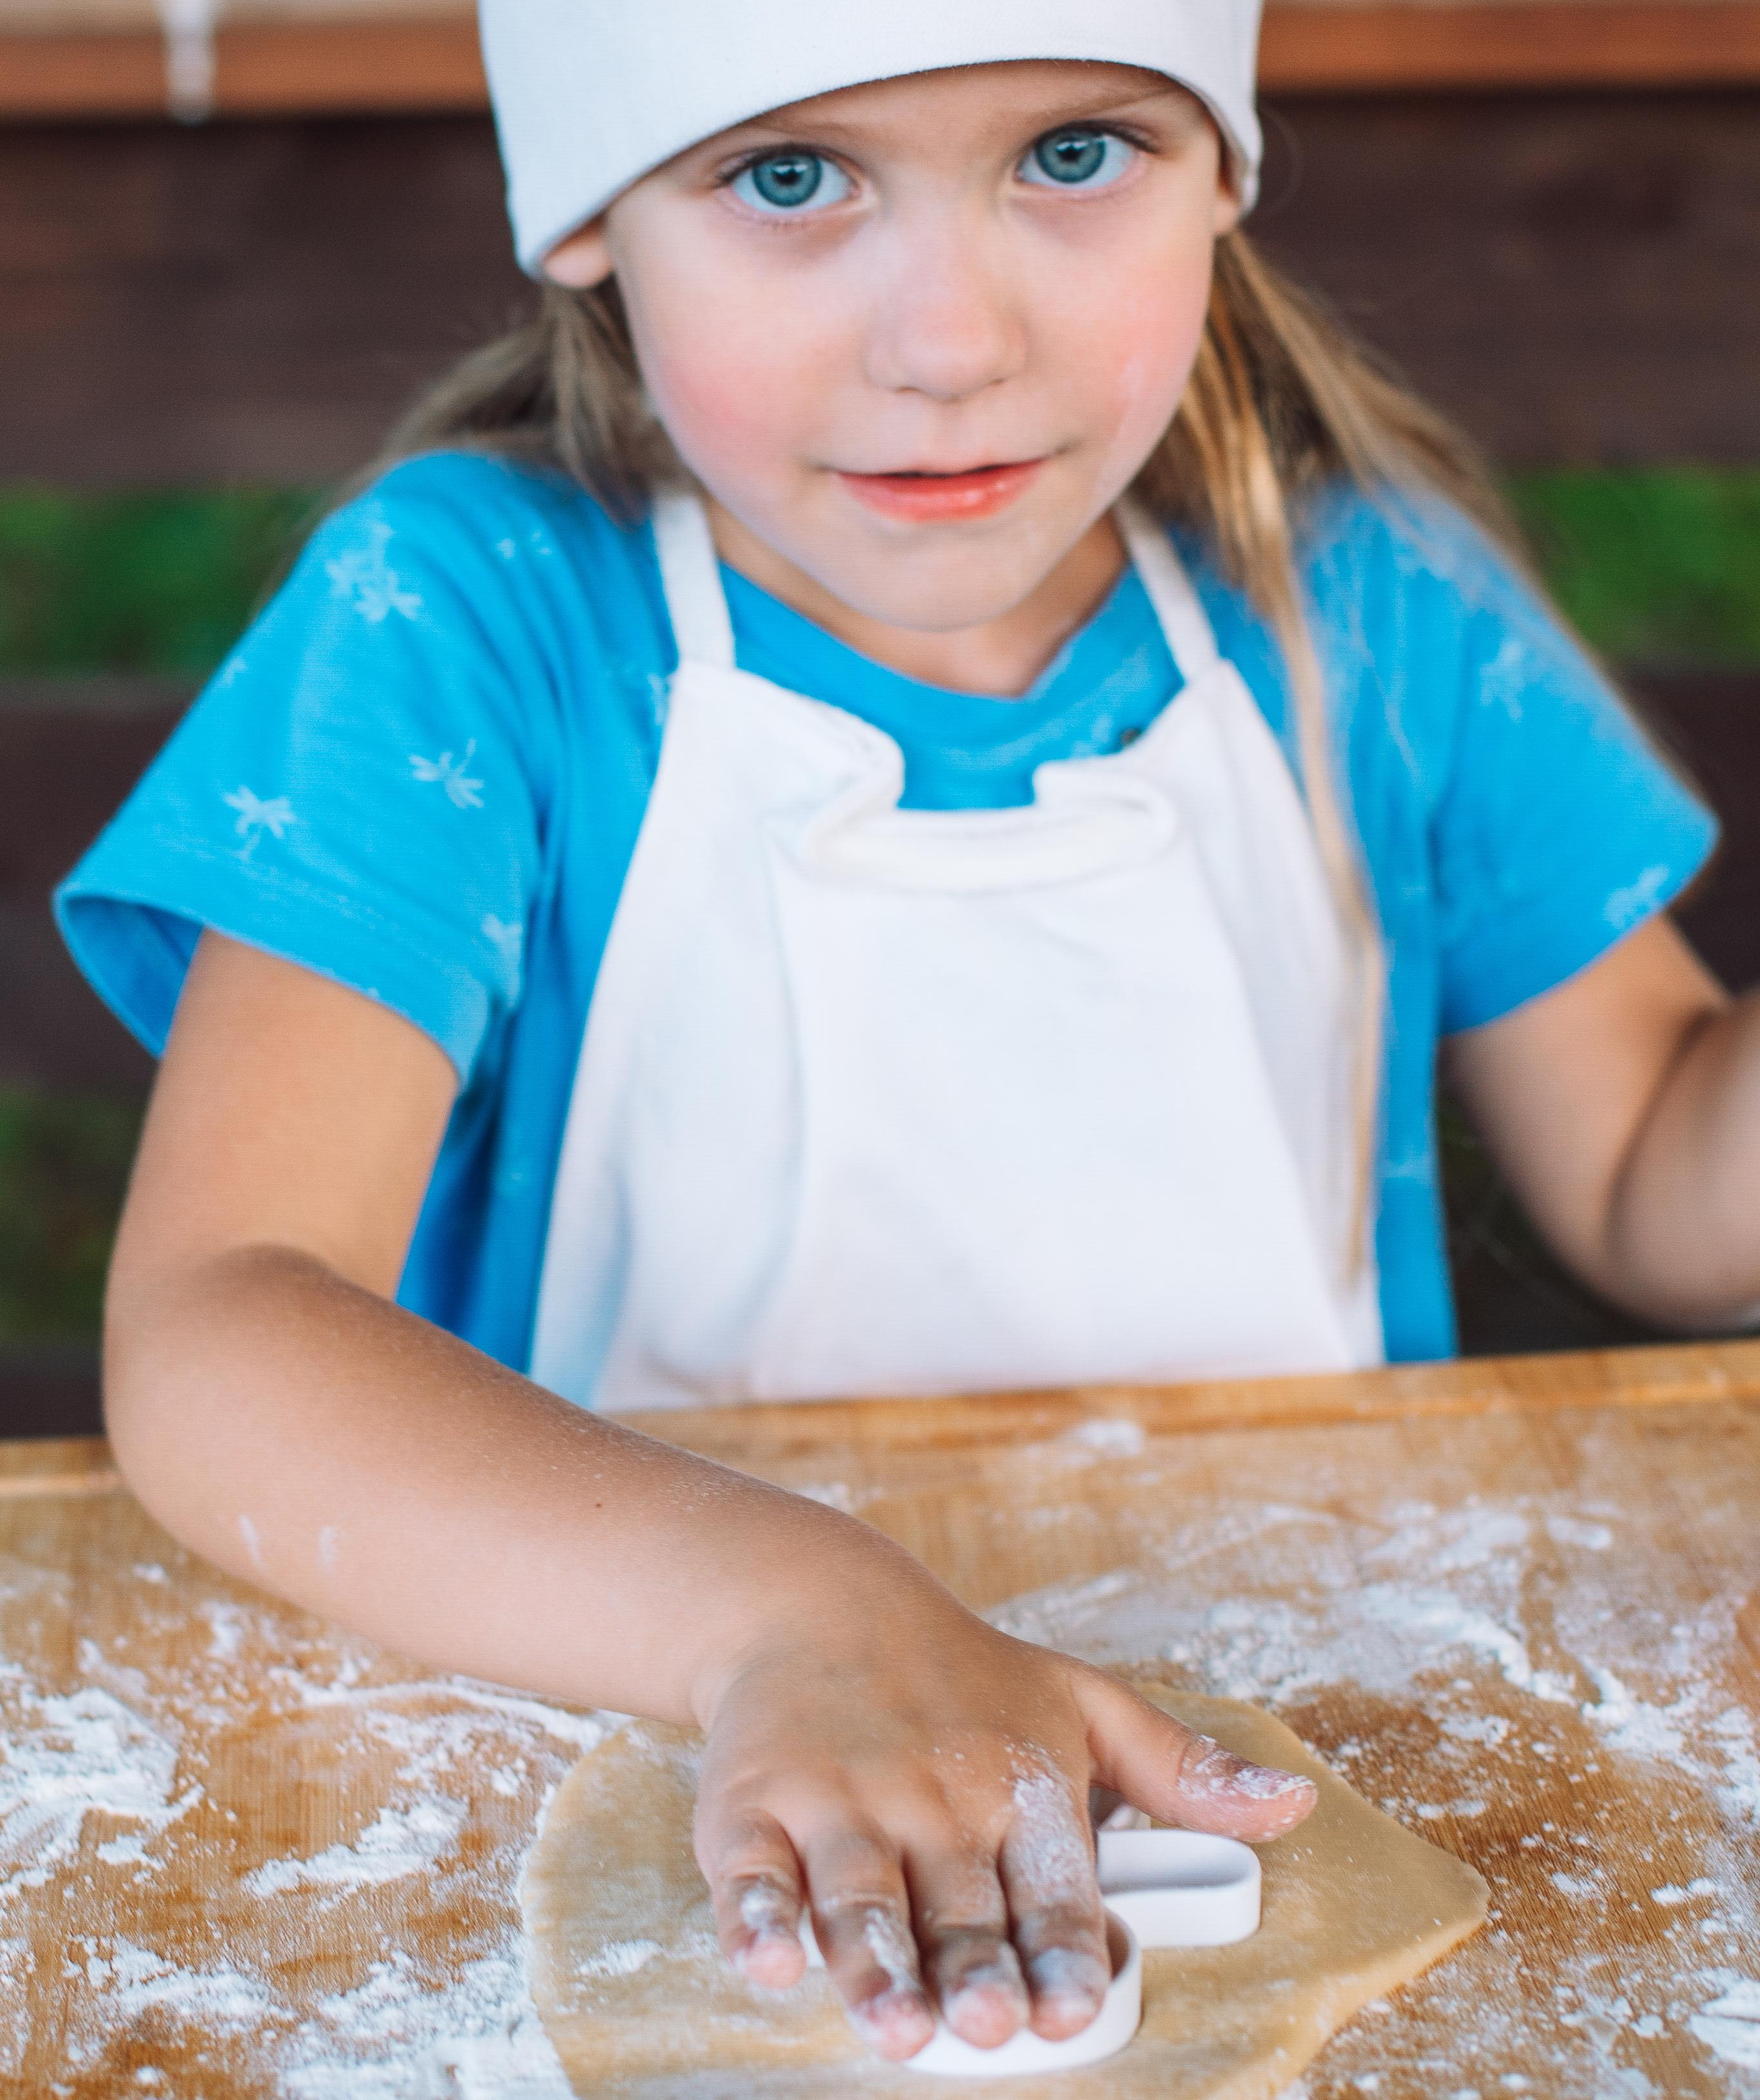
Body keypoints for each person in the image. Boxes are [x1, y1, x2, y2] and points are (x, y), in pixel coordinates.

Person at [55, 0, 1758, 2061]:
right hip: (667, 1781)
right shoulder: (472, 630)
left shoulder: (1376, 611)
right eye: (788, 176)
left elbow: (1662, 1162)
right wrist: (789, 1617)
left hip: (1285, 1760)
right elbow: (224, 1322)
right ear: (596, 213)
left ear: (1219, 172)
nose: (951, 339)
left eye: (1073, 155)